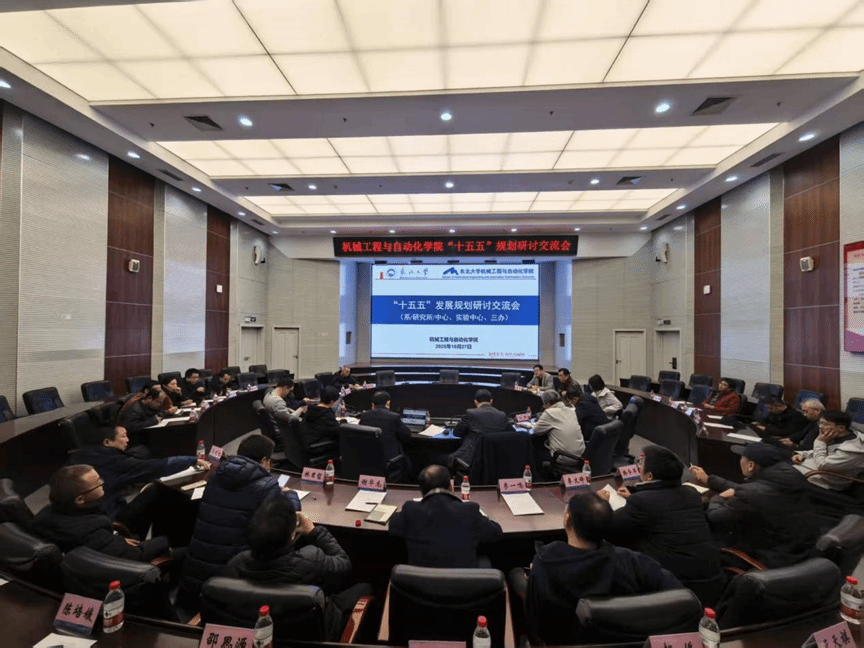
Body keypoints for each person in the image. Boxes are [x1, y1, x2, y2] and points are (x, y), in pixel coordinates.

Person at [520, 492, 683, 644]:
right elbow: (680, 597)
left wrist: (534, 575)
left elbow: (536, 622)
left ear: (567, 520)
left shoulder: (546, 563)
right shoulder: (632, 562)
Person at [225, 495, 372, 641]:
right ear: (291, 535)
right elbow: (344, 564)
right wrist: (315, 532)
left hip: (259, 638)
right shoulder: (311, 560)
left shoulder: (235, 565)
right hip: (316, 634)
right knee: (365, 588)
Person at [181, 435, 301, 603]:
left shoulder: (215, 476)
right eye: (270, 461)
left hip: (194, 576)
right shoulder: (267, 485)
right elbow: (285, 518)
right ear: (264, 460)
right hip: (233, 582)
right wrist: (291, 495)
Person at [598, 446, 722, 599]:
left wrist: (602, 504)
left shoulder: (641, 502)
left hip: (673, 588)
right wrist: (636, 494)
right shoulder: (691, 493)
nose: (639, 467)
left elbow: (609, 529)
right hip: (711, 582)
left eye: (642, 463)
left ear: (649, 476)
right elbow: (664, 502)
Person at [691, 443, 818, 568]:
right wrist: (710, 480)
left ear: (751, 465)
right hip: (802, 549)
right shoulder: (792, 476)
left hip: (774, 557)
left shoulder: (751, 493)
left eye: (742, 458)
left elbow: (715, 515)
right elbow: (755, 490)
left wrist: (719, 498)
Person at [68, 425, 208, 536]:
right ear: (107, 442)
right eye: (123, 436)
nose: (127, 440)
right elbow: (156, 467)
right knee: (161, 493)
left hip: (85, 522)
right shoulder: (113, 462)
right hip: (110, 521)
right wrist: (191, 460)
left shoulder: (80, 456)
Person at [31, 465, 173, 561]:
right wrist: (166, 541)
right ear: (80, 499)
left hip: (109, 537)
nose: (103, 484)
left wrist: (116, 539)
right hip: (121, 563)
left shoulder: (47, 512)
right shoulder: (90, 532)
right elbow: (134, 555)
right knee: (180, 550)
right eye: (98, 483)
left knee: (153, 491)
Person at [389, 465, 503, 568]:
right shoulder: (470, 511)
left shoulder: (410, 510)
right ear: (450, 487)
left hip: (419, 584)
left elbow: (393, 526)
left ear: (422, 491)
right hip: (464, 583)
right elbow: (496, 533)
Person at [793, 410, 864, 491]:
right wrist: (803, 454)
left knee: (781, 474)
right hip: (809, 469)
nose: (820, 427)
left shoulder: (854, 450)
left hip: (824, 480)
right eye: (820, 423)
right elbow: (828, 451)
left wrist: (819, 442)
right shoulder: (838, 436)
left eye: (825, 424)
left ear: (841, 428)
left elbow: (823, 465)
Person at [447, 389, 512, 474]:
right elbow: (512, 433)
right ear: (491, 401)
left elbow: (457, 433)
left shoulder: (471, 413)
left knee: (442, 458)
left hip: (471, 460)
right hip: (496, 460)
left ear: (475, 402)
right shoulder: (502, 415)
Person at [357, 390, 413, 482]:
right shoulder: (394, 417)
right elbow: (407, 434)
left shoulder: (364, 416)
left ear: (373, 404)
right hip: (389, 461)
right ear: (388, 403)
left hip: (368, 460)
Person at [532, 390, 585, 468]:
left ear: (548, 404)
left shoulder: (549, 413)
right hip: (580, 456)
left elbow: (536, 430)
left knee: (536, 447)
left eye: (544, 405)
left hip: (563, 457)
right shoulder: (571, 411)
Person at [300, 386, 342, 450]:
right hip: (316, 447)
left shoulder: (311, 409)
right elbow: (337, 431)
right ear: (332, 401)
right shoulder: (327, 414)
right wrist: (343, 422)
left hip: (305, 444)